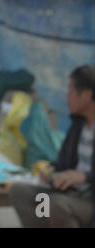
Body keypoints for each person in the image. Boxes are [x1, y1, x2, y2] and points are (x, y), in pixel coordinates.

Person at [9, 65, 95, 227]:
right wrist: (51, 170)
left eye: (70, 90)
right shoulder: (78, 125)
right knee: (20, 192)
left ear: (86, 95)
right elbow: (63, 163)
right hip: (72, 193)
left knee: (57, 204)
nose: (67, 96)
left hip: (89, 200)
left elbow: (83, 175)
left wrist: (85, 177)